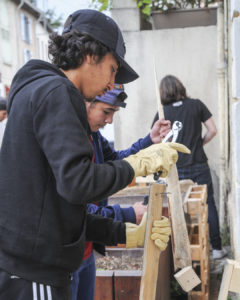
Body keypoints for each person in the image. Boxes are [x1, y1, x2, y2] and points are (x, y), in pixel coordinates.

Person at [0, 9, 188, 299]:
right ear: (90, 54)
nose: (112, 84)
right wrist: (136, 164)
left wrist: (124, 233)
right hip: (35, 272)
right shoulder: (57, 93)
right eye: (113, 69)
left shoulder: (42, 90)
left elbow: (59, 209)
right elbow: (79, 183)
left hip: (35, 270)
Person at [72, 85, 171, 300]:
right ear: (86, 103)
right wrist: (126, 215)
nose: (109, 121)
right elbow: (75, 208)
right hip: (67, 256)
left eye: (114, 113)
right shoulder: (69, 142)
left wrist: (149, 142)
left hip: (87, 250)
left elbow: (117, 161)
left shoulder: (94, 136)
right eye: (106, 112)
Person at [152, 74, 227, 260]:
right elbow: (213, 130)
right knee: (209, 204)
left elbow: (156, 140)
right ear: (181, 87)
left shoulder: (162, 112)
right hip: (199, 165)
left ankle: (186, 254)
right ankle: (216, 249)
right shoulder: (197, 105)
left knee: (180, 209)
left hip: (178, 169)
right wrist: (200, 143)